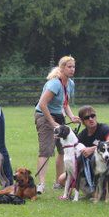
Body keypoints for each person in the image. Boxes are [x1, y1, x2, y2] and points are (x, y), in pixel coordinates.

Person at [34, 55, 81, 194]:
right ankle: (41, 184)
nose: (72, 69)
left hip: (59, 116)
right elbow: (42, 104)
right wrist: (52, 122)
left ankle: (59, 182)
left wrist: (72, 116)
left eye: (73, 67)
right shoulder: (54, 83)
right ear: (62, 68)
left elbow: (65, 103)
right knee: (46, 149)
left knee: (63, 148)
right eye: (69, 67)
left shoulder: (70, 83)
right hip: (44, 115)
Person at [57, 105, 109, 186]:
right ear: (82, 121)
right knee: (61, 179)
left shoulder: (104, 128)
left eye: (92, 116)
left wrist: (92, 149)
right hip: (92, 166)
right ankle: (90, 188)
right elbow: (72, 149)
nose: (91, 119)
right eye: (87, 117)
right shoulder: (82, 135)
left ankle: (100, 188)